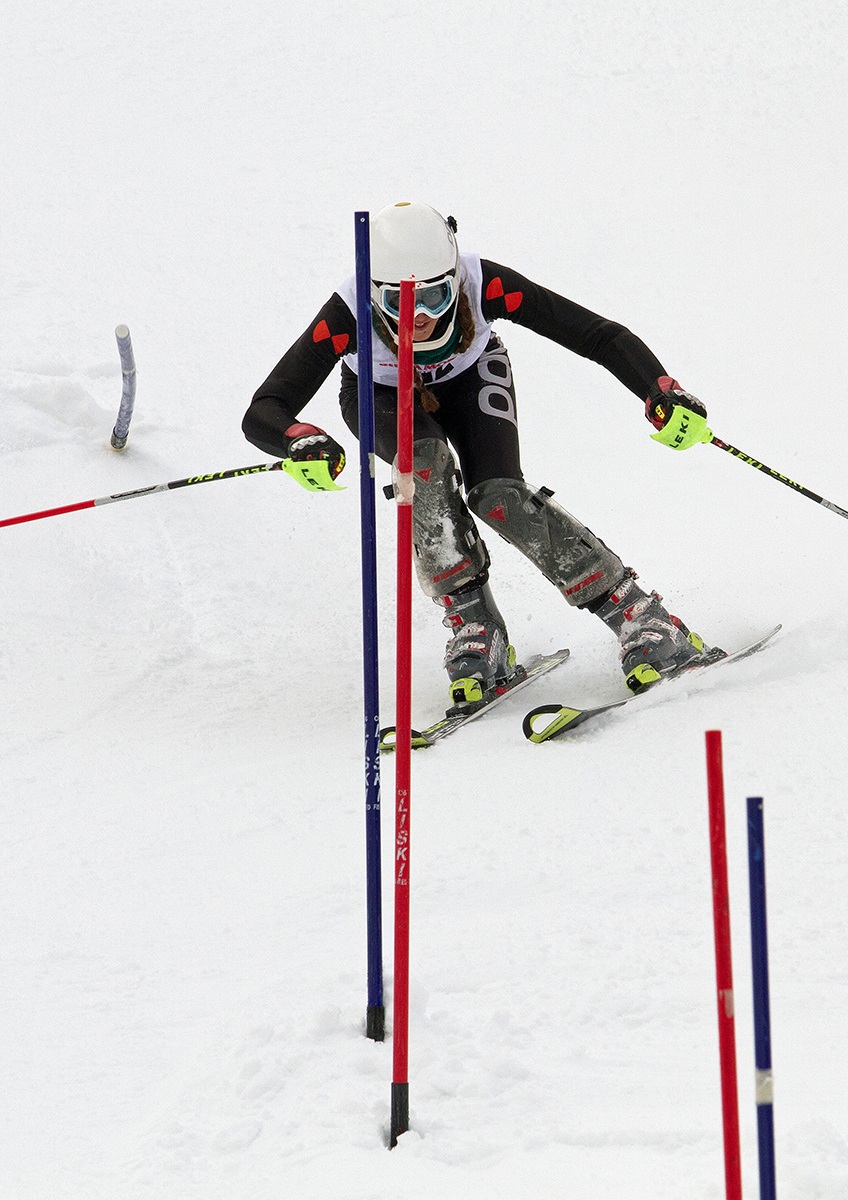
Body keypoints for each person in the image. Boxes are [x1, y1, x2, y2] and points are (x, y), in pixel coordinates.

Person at [243, 201, 724, 712]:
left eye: (434, 296)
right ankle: (475, 623)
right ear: (374, 290)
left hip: (471, 375)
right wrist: (297, 439)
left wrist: (659, 390)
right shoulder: (347, 311)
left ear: (454, 277)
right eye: (398, 301)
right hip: (379, 392)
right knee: (423, 469)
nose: (419, 317)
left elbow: (597, 335)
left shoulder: (483, 282)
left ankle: (637, 613)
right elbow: (266, 407)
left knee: (498, 495)